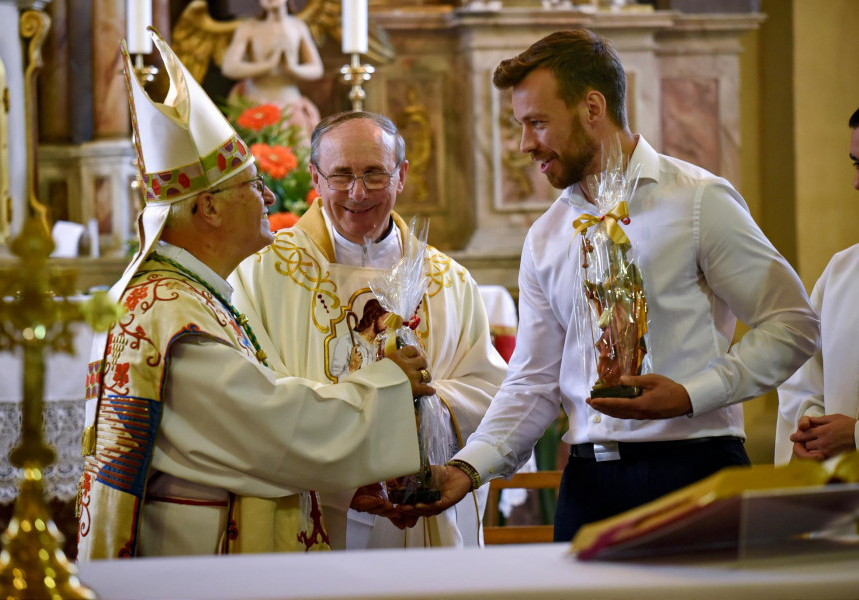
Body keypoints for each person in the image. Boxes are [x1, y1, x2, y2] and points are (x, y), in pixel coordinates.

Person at [407, 29, 820, 541]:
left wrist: (691, 394)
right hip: (588, 482)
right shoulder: (547, 236)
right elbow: (533, 381)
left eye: (537, 122)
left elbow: (794, 324)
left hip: (694, 468)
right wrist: (468, 467)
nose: (524, 144)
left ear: (592, 107)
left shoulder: (697, 201)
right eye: (521, 125)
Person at [76, 30, 436, 560]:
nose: (269, 194)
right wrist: (388, 384)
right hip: (195, 561)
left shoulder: (182, 299)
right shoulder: (172, 315)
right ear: (210, 210)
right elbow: (275, 429)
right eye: (249, 184)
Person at [230, 111, 507, 550]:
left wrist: (421, 428)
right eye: (341, 176)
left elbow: (491, 392)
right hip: (313, 502)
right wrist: (346, 470)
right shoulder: (261, 276)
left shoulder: (448, 281)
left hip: (420, 511)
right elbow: (252, 397)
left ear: (401, 177)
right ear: (315, 179)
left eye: (375, 175)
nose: (357, 193)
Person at [775, 107, 859, 465]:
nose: (856, 182)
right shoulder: (843, 272)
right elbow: (804, 381)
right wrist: (810, 427)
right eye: (856, 165)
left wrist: (855, 435)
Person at [220, 0, 324, 137]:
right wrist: (268, 65)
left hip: (290, 104)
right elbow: (229, 67)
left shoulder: (298, 27)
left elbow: (316, 68)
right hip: (255, 105)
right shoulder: (249, 27)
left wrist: (292, 68)